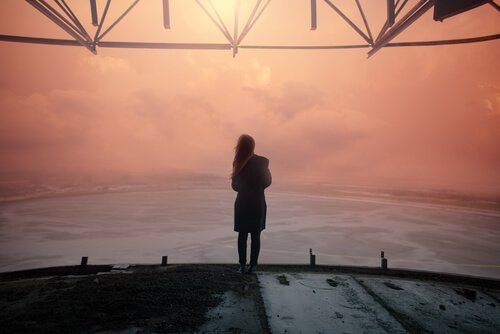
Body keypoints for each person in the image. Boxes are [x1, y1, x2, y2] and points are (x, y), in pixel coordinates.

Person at [231, 134, 272, 274]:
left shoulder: (238, 162)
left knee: (242, 236)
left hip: (242, 203)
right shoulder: (263, 161)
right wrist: (257, 187)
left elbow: (235, 186)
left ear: (239, 146)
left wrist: (245, 187)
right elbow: (267, 182)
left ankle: (242, 265)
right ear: (253, 146)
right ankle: (253, 266)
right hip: (257, 203)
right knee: (256, 236)